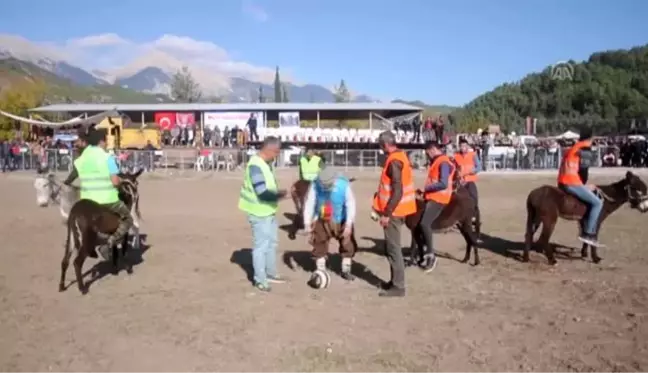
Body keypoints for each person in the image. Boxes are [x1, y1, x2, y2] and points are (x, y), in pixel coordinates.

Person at [63, 128, 133, 261]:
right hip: (107, 199)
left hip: (87, 200)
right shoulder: (107, 157)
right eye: (106, 140)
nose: (107, 143)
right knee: (128, 219)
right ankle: (110, 242)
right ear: (101, 141)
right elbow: (115, 181)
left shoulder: (81, 159)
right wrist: (120, 181)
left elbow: (75, 175)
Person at [238, 136, 288, 292]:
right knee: (261, 247)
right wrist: (283, 196)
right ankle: (260, 280)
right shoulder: (255, 166)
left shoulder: (266, 164)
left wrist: (280, 193)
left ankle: (270, 273)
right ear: (270, 150)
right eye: (277, 153)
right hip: (259, 212)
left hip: (269, 211)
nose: (277, 156)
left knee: (272, 243)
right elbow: (262, 193)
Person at [372, 131, 417, 297]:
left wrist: (387, 213)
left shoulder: (394, 161)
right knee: (392, 247)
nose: (381, 149)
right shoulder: (400, 156)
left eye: (380, 146)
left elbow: (397, 190)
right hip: (400, 210)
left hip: (394, 212)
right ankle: (394, 282)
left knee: (393, 248)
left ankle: (398, 286)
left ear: (385, 144)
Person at [302, 168, 357, 281]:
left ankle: (346, 270)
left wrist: (348, 224)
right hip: (322, 219)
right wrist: (307, 222)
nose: (325, 188)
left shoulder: (343, 185)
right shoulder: (315, 184)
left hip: (341, 219)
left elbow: (350, 204)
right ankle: (320, 270)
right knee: (319, 243)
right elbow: (310, 202)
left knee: (347, 244)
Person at [557, 128, 602, 246]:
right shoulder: (585, 149)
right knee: (598, 203)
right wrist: (585, 186)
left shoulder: (575, 146)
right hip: (572, 182)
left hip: (562, 181)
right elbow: (583, 171)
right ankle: (588, 234)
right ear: (590, 138)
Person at [419, 141, 456, 272]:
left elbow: (443, 183)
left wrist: (428, 188)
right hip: (433, 196)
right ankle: (422, 252)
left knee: (424, 224)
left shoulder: (443, 162)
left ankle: (431, 255)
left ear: (433, 149)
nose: (427, 156)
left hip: (439, 198)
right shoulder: (439, 161)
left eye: (427, 153)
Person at [454, 138, 481, 224]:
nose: (463, 148)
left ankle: (473, 214)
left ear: (467, 146)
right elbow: (454, 169)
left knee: (474, 196)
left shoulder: (473, 155)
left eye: (465, 146)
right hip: (460, 182)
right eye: (461, 146)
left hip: (469, 180)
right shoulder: (456, 156)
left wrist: (471, 171)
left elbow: (479, 167)